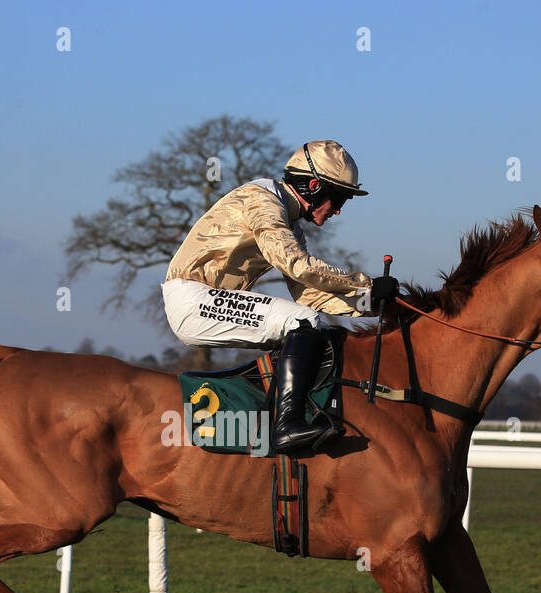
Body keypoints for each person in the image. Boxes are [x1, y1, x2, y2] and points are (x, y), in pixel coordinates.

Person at [162, 140, 398, 454]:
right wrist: (365, 284)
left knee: (311, 324)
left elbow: (311, 295)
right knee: (301, 322)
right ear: (314, 187)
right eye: (338, 198)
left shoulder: (288, 223)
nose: (339, 210)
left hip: (203, 300)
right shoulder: (262, 201)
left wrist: (374, 305)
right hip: (192, 300)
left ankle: (287, 414)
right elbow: (296, 264)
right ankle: (288, 425)